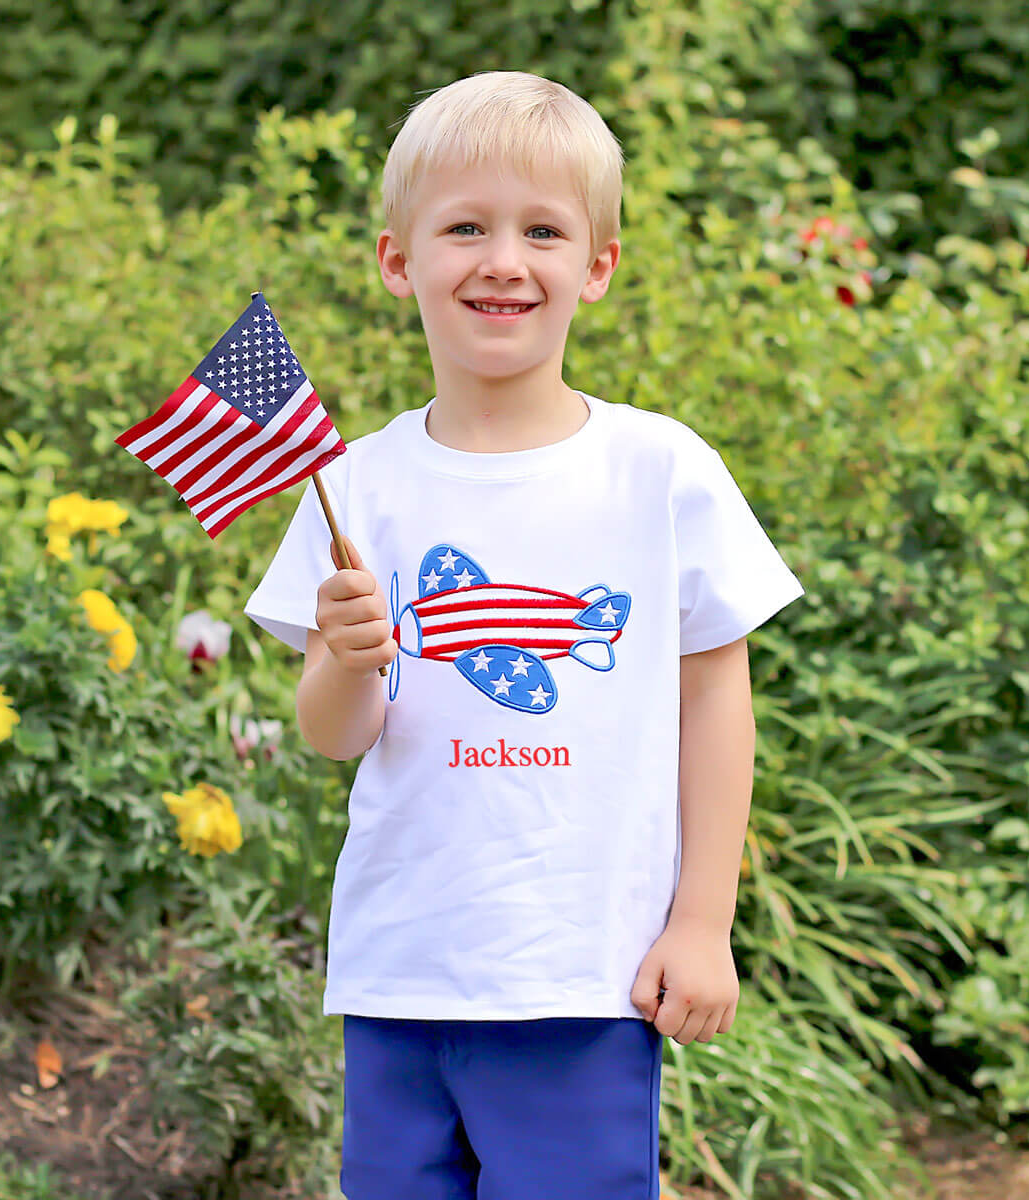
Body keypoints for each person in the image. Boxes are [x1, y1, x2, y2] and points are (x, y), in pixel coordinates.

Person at [243, 69, 805, 1200]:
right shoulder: (356, 484)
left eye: (542, 230)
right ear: (400, 260)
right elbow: (333, 735)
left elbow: (715, 699)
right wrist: (350, 660)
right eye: (465, 227)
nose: (504, 260)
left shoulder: (661, 471)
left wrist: (702, 920)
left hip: (581, 977)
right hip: (401, 971)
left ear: (595, 265)